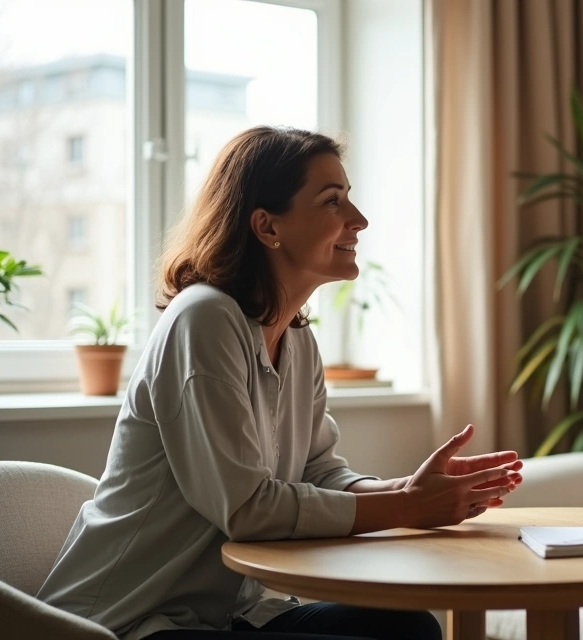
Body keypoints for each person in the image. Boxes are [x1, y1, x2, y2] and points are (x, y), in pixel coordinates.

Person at [38, 126, 522, 640]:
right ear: (267, 227)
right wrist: (405, 508)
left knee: (410, 629)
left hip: (227, 615)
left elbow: (318, 471)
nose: (358, 221)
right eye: (332, 202)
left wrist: (414, 489)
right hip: (128, 623)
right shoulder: (203, 319)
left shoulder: (295, 338)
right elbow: (247, 509)